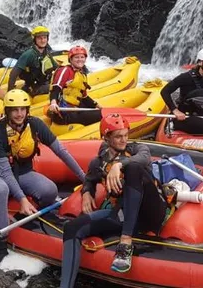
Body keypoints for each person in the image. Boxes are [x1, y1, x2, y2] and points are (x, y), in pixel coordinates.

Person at [59, 113, 169, 285]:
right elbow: (89, 178)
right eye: (118, 136)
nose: (123, 140)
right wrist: (87, 192)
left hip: (150, 211)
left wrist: (119, 165)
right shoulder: (99, 162)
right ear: (107, 137)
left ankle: (125, 243)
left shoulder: (137, 149)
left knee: (133, 167)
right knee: (72, 228)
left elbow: (144, 159)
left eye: (126, 135)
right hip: (122, 214)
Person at [0, 89, 85, 244]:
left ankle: (42, 217)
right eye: (14, 110)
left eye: (22, 109)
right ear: (7, 111)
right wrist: (22, 199)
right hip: (0, 175)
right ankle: (1, 236)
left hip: (24, 172)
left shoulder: (35, 124)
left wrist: (84, 178)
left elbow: (61, 151)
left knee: (50, 190)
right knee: (1, 189)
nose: (19, 114)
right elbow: (5, 172)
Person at [48, 45, 100, 126]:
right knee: (100, 115)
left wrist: (97, 105)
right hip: (63, 112)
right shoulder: (65, 70)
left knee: (101, 112)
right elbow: (56, 88)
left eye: (82, 57)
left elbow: (84, 97)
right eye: (76, 57)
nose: (80, 60)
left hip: (75, 108)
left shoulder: (82, 75)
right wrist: (53, 103)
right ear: (71, 59)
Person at [8, 26, 60, 97]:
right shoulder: (28, 54)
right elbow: (13, 74)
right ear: (34, 39)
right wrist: (10, 93)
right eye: (39, 38)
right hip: (34, 87)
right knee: (60, 88)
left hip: (45, 83)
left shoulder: (46, 53)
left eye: (44, 38)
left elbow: (57, 68)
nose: (43, 40)